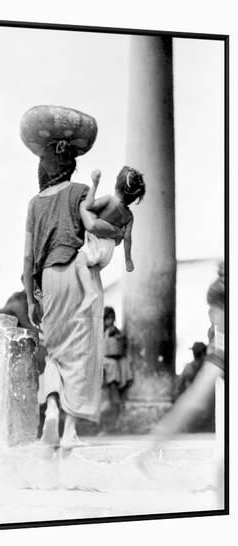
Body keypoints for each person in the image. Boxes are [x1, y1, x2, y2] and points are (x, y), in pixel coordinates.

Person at [23, 133, 124, 449]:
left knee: (54, 349)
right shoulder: (80, 192)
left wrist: (30, 298)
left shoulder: (34, 203)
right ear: (69, 166)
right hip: (77, 271)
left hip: (48, 278)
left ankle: (51, 407)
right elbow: (94, 226)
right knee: (81, 349)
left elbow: (27, 257)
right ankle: (69, 432)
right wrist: (118, 232)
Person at [137, 263, 225, 502]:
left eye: (213, 309)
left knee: (223, 476)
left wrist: (155, 442)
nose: (210, 315)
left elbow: (194, 400)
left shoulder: (224, 345)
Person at [76, 166, 145, 304]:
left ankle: (88, 293)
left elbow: (89, 205)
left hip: (96, 242)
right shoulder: (129, 216)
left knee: (79, 263)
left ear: (116, 185)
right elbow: (127, 238)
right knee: (93, 270)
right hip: (108, 250)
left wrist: (95, 184)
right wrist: (128, 260)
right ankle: (92, 293)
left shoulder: (109, 200)